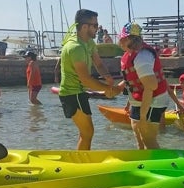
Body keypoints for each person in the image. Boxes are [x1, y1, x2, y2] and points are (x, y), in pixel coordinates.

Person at [58, 9, 121, 150]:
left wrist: (108, 77)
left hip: (79, 92)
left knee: (86, 132)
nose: (98, 28)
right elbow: (86, 80)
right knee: (88, 132)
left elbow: (98, 64)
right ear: (85, 26)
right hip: (71, 94)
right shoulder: (75, 47)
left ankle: (81, 159)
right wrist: (108, 89)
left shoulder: (89, 43)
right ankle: (81, 163)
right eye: (95, 25)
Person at [118, 22, 170, 149]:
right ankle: (142, 161)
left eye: (121, 38)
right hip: (138, 100)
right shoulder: (129, 55)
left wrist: (142, 116)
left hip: (154, 100)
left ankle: (158, 165)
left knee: (148, 138)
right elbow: (133, 78)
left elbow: (151, 86)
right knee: (138, 135)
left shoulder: (142, 57)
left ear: (127, 39)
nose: (119, 41)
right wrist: (116, 88)